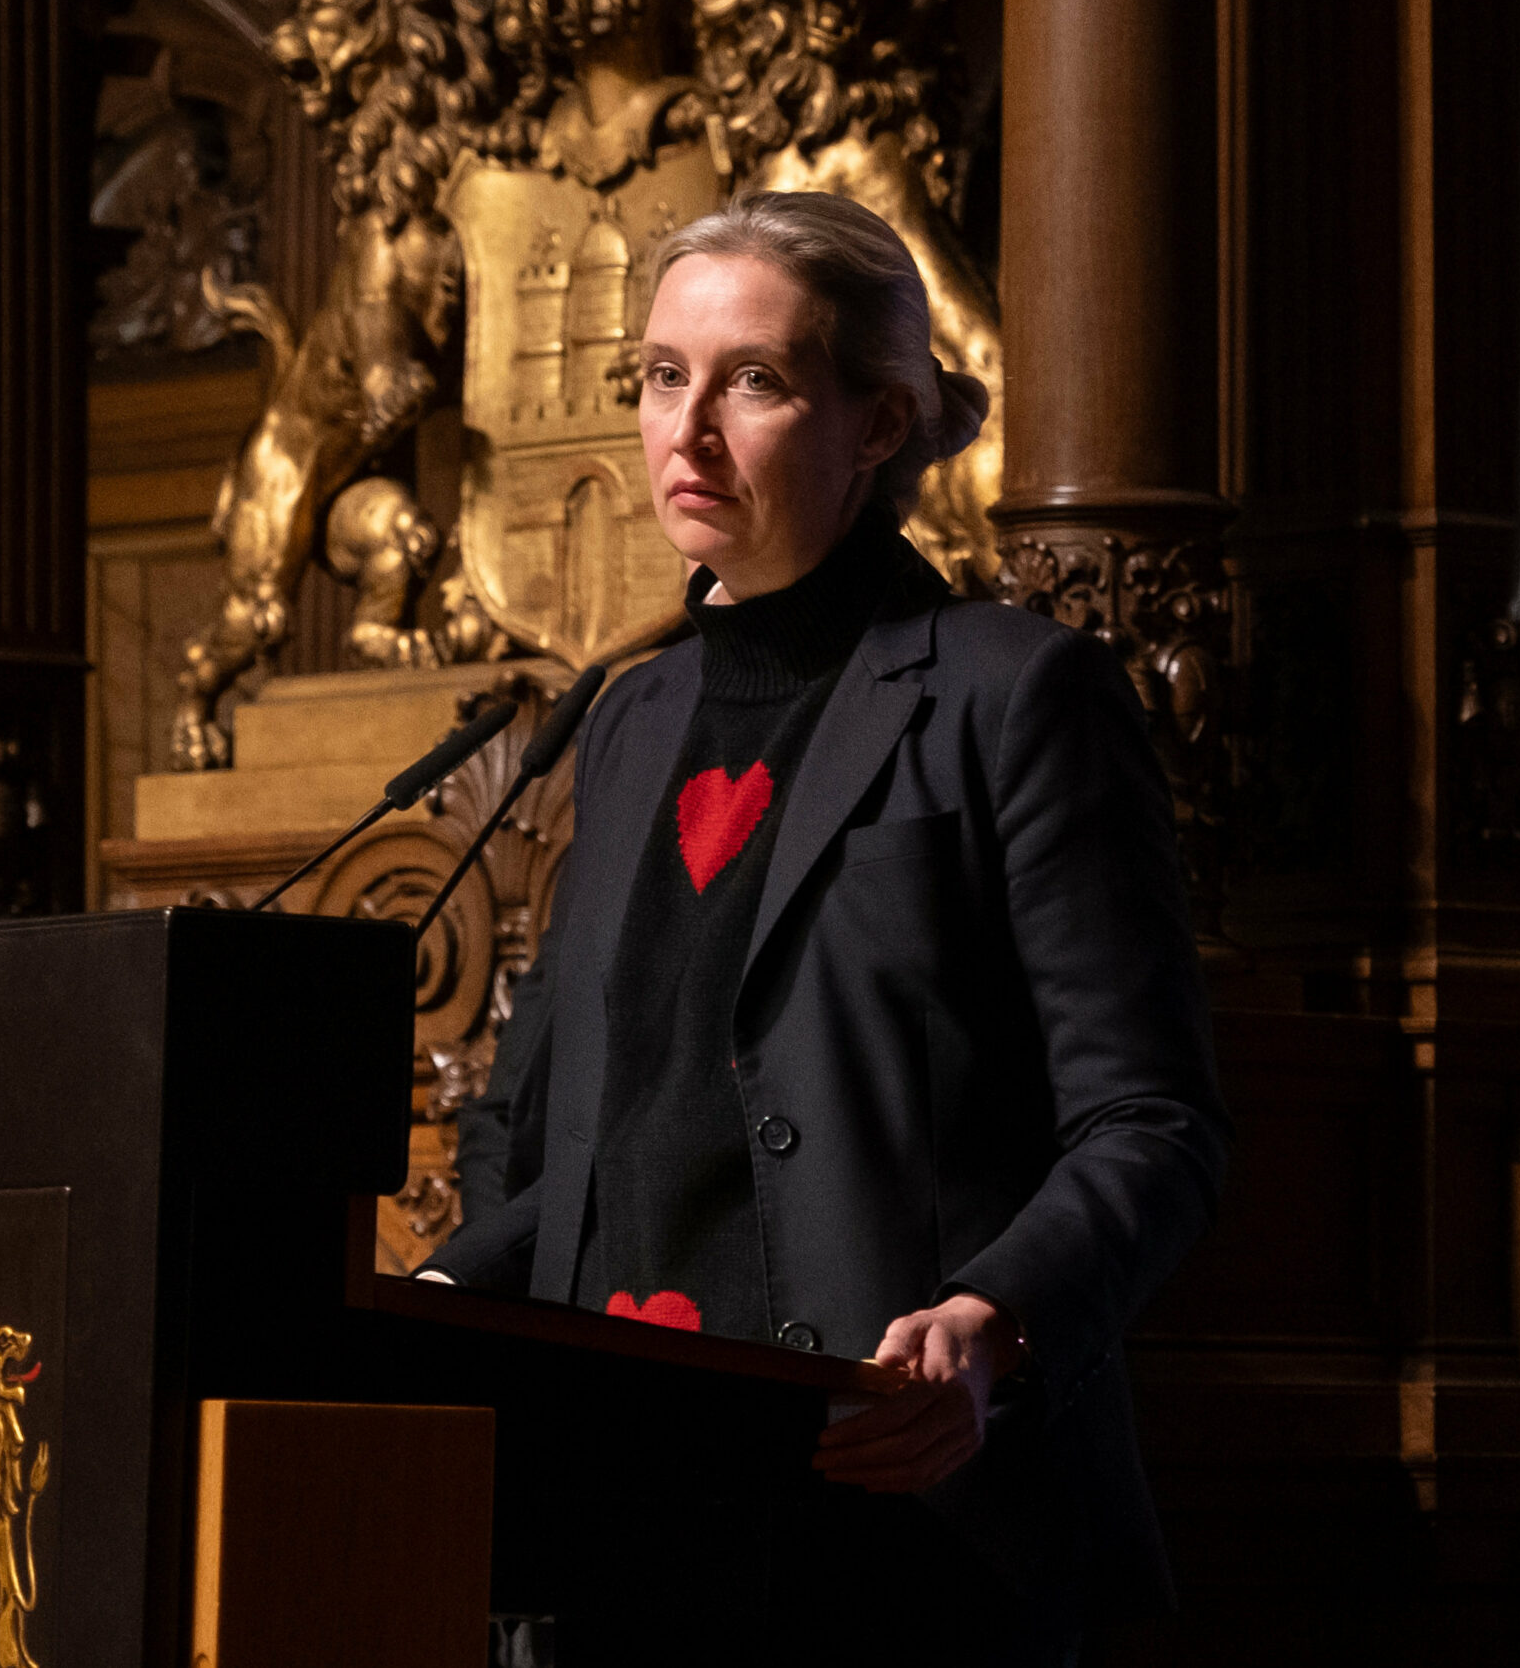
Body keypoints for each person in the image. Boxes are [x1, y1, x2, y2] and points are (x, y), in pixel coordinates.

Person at [421, 189, 1228, 1662]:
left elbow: (1152, 1121)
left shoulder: (1013, 695)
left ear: (881, 422)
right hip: (615, 1529)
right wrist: (431, 1296)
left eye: (757, 380)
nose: (690, 429)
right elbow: (594, 1140)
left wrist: (998, 1320)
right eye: (665, 376)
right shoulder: (624, 720)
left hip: (900, 1528)